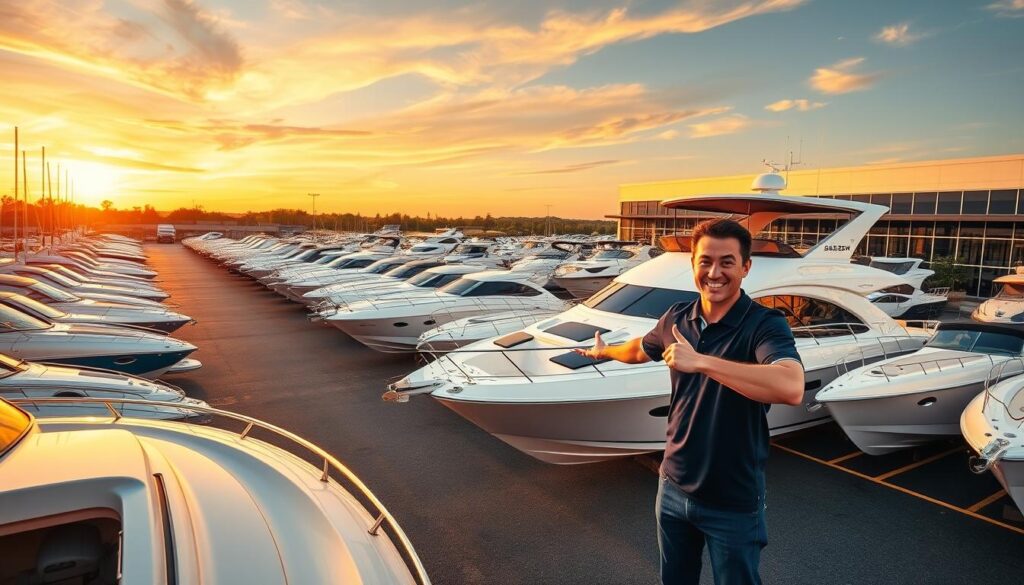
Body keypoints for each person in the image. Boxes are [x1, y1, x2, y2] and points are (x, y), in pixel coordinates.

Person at [574, 218, 804, 585]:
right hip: (673, 487)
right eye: (705, 261)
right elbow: (640, 349)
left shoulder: (764, 324)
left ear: (746, 267)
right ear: (693, 264)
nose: (715, 272)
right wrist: (606, 352)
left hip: (732, 499)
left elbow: (791, 385)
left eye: (727, 262)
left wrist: (701, 361)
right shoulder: (677, 317)